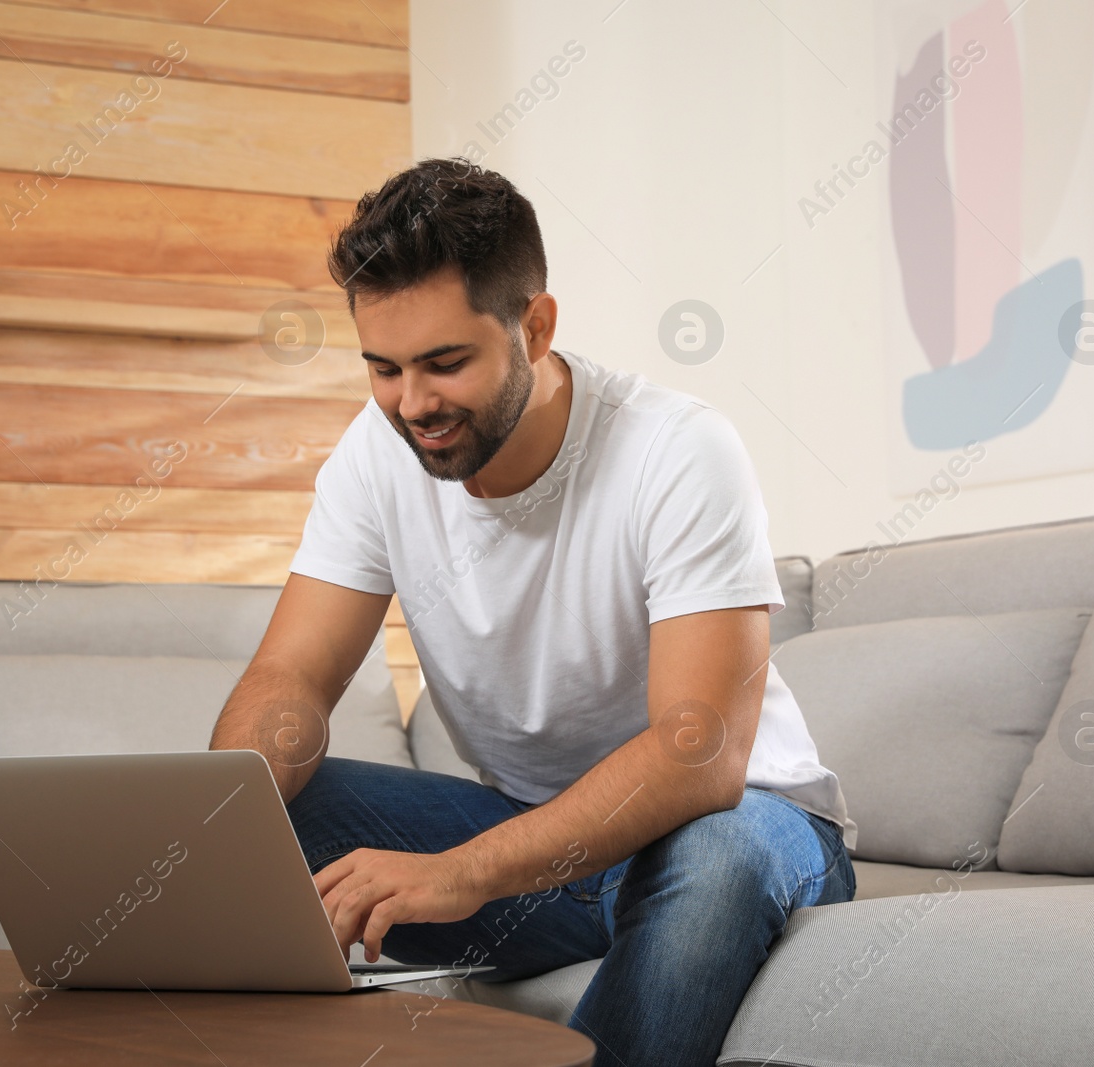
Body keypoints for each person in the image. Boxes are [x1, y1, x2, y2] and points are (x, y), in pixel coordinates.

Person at [209, 158, 856, 1067]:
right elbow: (293, 676)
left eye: (445, 363)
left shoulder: (676, 451)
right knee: (254, 811)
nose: (413, 403)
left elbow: (698, 752)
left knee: (720, 856)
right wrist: (210, 823)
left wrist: (464, 872)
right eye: (383, 368)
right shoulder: (374, 454)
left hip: (743, 823)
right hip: (544, 847)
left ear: (536, 326)